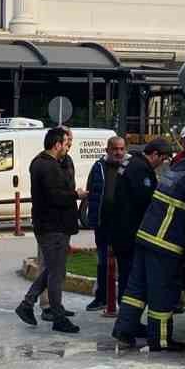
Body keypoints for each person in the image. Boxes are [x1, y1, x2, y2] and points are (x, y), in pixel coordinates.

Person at [113, 137, 185, 351]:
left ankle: (123, 331)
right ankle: (161, 341)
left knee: (136, 289)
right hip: (164, 244)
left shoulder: (174, 172)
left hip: (145, 237)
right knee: (162, 292)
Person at [15, 127, 84, 334]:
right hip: (53, 226)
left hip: (53, 226)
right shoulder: (48, 166)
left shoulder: (45, 163)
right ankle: (57, 317)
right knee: (56, 273)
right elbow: (56, 196)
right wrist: (76, 195)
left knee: (53, 269)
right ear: (57, 145)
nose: (68, 146)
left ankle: (27, 304)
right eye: (66, 143)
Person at [108, 137, 172, 310]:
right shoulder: (141, 169)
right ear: (155, 154)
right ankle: (128, 319)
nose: (162, 163)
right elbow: (146, 201)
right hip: (130, 232)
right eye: (163, 158)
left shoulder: (131, 163)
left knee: (126, 276)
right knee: (132, 278)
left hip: (121, 231)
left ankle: (126, 317)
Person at [84, 135, 128, 310]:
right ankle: (101, 297)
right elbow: (91, 192)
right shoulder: (98, 167)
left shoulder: (130, 167)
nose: (118, 152)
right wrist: (92, 218)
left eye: (121, 149)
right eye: (114, 149)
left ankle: (124, 302)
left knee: (125, 264)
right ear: (107, 150)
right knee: (102, 262)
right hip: (103, 224)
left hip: (124, 226)